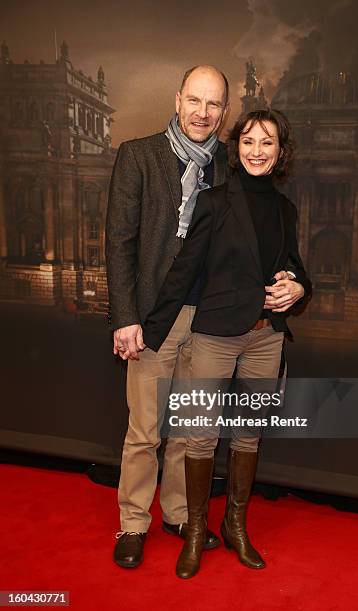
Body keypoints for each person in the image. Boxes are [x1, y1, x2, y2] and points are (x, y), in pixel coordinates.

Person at [143, 109, 312, 579]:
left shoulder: (285, 210)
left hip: (265, 339)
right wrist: (150, 332)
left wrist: (299, 288)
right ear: (235, 148)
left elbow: (296, 269)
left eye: (268, 143)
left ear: (281, 153)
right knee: (200, 436)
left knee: (248, 435)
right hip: (215, 336)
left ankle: (235, 526)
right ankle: (196, 531)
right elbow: (185, 270)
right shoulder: (213, 202)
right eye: (248, 142)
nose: (257, 151)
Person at [105, 65, 230, 569]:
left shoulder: (227, 165)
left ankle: (179, 513)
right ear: (178, 100)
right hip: (155, 318)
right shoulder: (138, 156)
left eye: (214, 104)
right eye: (195, 101)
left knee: (189, 426)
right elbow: (120, 243)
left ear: (225, 111)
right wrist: (125, 317)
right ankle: (133, 522)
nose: (203, 113)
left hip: (209, 320)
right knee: (145, 430)